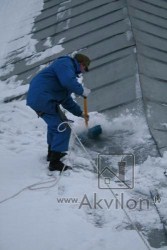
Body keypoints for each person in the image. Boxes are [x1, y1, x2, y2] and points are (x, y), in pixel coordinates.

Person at [26, 53, 91, 172]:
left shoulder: (66, 73)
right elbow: (68, 82)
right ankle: (54, 163)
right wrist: (82, 91)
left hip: (42, 98)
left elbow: (66, 100)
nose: (83, 71)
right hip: (42, 97)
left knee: (54, 125)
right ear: (81, 64)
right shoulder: (65, 63)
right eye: (84, 68)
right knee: (63, 127)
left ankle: (52, 154)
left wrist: (81, 113)